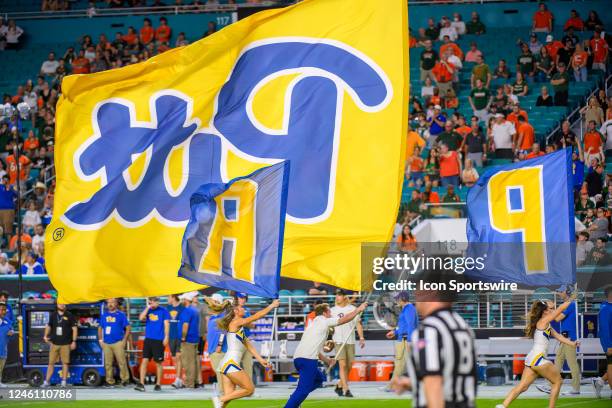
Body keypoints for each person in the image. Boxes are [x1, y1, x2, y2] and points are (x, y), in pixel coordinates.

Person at [391, 288, 477, 407]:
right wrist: (411, 382)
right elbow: (449, 373)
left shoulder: (430, 329)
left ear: (430, 295)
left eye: (418, 294)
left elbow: (434, 382)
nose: (416, 300)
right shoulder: (462, 326)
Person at [497, 294, 579, 407]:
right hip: (539, 359)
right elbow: (561, 309)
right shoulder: (544, 321)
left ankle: (503, 406)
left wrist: (572, 343)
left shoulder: (545, 323)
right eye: (551, 308)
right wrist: (570, 300)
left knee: (523, 387)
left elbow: (558, 336)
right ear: (545, 311)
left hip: (532, 358)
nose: (553, 310)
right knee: (558, 381)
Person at [285, 301, 367, 408]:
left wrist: (328, 360)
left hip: (299, 359)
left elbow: (316, 350)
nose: (331, 313)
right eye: (329, 311)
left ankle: (296, 397)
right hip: (308, 360)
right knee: (303, 390)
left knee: (319, 379)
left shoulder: (313, 324)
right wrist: (358, 310)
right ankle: (295, 399)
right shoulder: (324, 321)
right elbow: (343, 320)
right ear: (324, 313)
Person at [208, 298, 279, 408]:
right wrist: (271, 306)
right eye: (241, 307)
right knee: (249, 389)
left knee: (227, 399)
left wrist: (261, 360)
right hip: (230, 364)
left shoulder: (238, 326)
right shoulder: (236, 322)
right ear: (235, 311)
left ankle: (220, 400)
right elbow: (255, 317)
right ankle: (219, 398)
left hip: (226, 364)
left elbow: (248, 345)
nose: (243, 309)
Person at [330, 289, 365, 397]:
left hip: (350, 341)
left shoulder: (353, 309)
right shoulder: (332, 310)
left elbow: (358, 324)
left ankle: (339, 385)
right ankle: (346, 389)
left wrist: (361, 337)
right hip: (338, 340)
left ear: (345, 297)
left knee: (349, 366)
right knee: (343, 365)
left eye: (339, 295)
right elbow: (330, 326)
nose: (337, 297)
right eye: (336, 295)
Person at [134, 297, 170, 392]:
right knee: (144, 361)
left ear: (157, 302)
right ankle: (141, 383)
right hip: (148, 339)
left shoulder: (164, 311)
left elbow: (166, 324)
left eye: (154, 301)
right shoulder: (148, 310)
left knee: (158, 363)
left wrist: (166, 336)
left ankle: (158, 384)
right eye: (151, 301)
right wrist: (147, 307)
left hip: (158, 340)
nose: (152, 303)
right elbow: (141, 318)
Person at [386, 292, 418, 385]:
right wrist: (395, 332)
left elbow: (411, 326)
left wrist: (409, 341)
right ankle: (395, 385)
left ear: (402, 299)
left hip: (405, 340)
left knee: (400, 364)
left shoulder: (409, 309)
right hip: (403, 339)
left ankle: (393, 385)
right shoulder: (406, 309)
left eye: (397, 298)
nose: (396, 300)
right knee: (401, 364)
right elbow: (404, 326)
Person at [43, 303, 77, 387]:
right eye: (60, 304)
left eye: (63, 304)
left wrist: (74, 341)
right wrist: (45, 335)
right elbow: (49, 326)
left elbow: (74, 328)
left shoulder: (69, 315)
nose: (62, 305)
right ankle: (47, 382)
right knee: (51, 363)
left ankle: (64, 382)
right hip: (54, 343)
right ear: (57, 305)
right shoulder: (53, 315)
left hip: (66, 344)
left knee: (65, 363)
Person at [99, 298, 131, 387]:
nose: (110, 304)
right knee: (108, 363)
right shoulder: (104, 315)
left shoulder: (121, 315)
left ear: (116, 304)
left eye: (112, 302)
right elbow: (100, 328)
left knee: (122, 362)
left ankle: (125, 379)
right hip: (106, 343)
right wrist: (100, 340)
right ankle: (109, 381)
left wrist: (124, 340)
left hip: (118, 342)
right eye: (109, 302)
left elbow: (128, 328)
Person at [592, 286, 611, 398]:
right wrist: (608, 346)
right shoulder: (605, 309)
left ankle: (599, 382)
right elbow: (604, 330)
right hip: (610, 344)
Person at [178, 291, 200, 389]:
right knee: (193, 361)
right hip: (194, 338)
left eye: (183, 299)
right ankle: (194, 381)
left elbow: (185, 325)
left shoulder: (186, 311)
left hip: (188, 339)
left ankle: (189, 383)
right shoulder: (194, 310)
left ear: (187, 300)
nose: (181, 300)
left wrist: (183, 337)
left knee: (188, 362)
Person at [206, 293, 226, 394]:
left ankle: (223, 391)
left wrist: (219, 345)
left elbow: (224, 332)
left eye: (213, 302)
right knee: (218, 370)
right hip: (212, 348)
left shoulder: (222, 316)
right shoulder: (213, 317)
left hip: (218, 349)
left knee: (220, 370)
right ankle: (223, 389)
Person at [234, 292, 254, 382]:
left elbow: (251, 325)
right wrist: (245, 322)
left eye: (244, 298)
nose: (243, 300)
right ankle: (237, 385)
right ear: (236, 298)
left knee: (248, 364)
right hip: (236, 340)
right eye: (241, 298)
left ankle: (249, 386)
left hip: (246, 339)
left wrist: (245, 321)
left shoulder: (247, 310)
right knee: (235, 364)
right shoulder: (232, 310)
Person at [166, 294, 184, 388]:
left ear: (173, 297)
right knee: (174, 358)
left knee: (178, 357)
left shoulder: (182, 307)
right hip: (171, 335)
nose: (167, 299)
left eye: (168, 297)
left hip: (179, 335)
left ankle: (177, 379)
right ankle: (180, 380)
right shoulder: (167, 308)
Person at [0, 302, 14, 387]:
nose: (2, 311)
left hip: (3, 350)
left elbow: (11, 336)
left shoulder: (8, 321)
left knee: (0, 368)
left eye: (4, 310)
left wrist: (11, 333)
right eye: (0, 309)